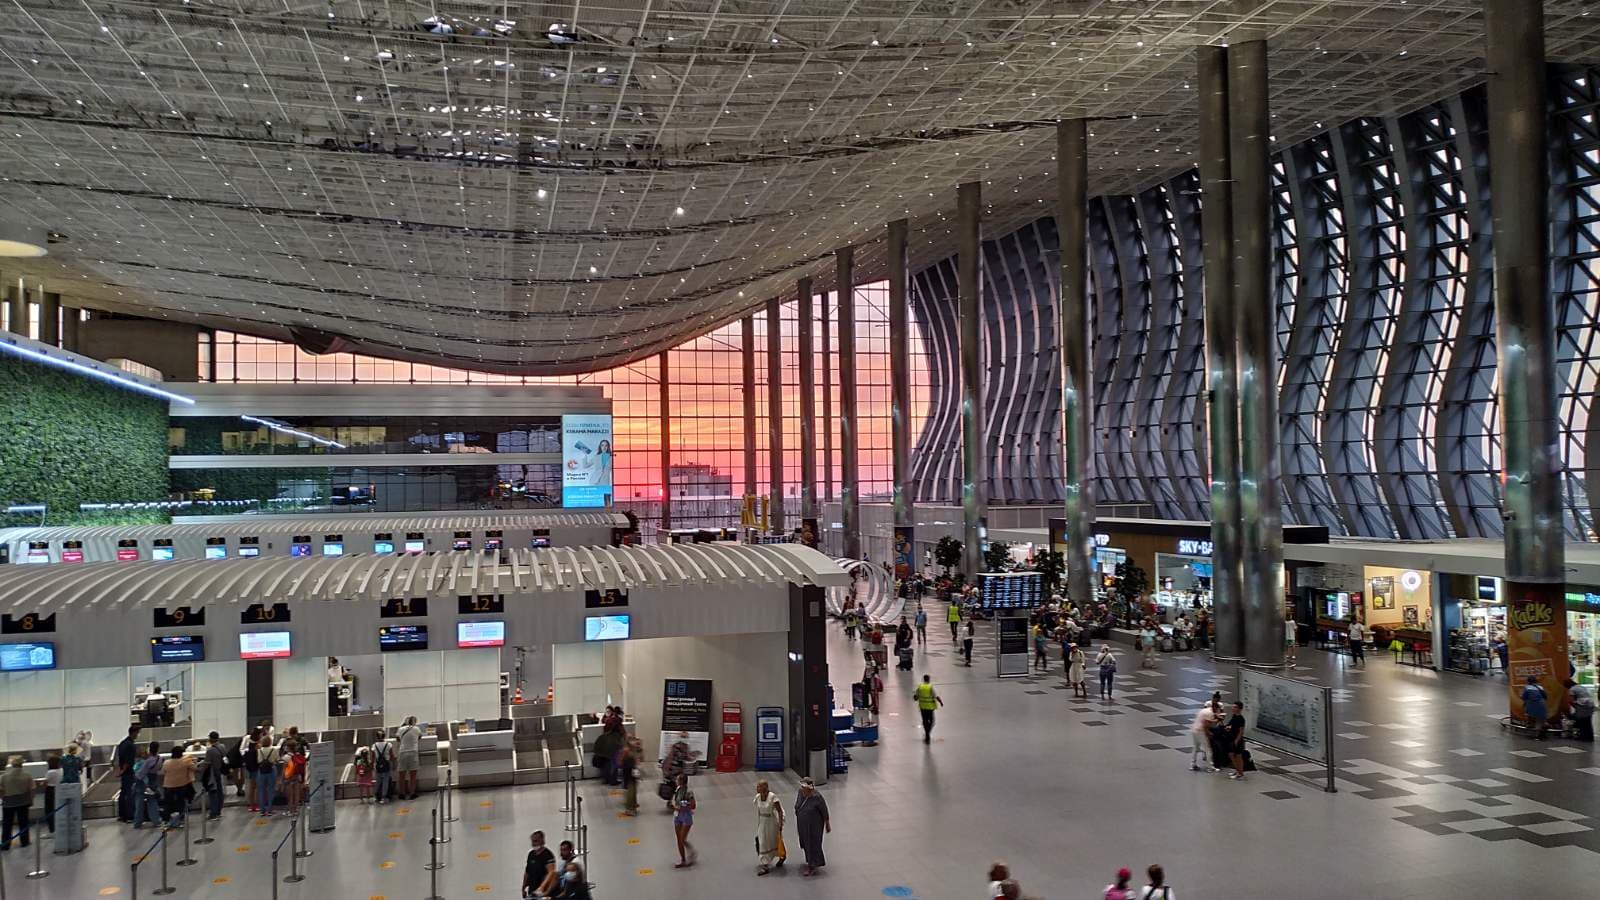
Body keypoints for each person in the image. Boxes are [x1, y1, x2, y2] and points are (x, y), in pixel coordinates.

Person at [793, 777, 829, 877]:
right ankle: (810, 860)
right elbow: (798, 805)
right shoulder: (800, 793)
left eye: (804, 788)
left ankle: (812, 865)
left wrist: (827, 823)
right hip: (802, 824)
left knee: (813, 843)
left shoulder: (817, 797)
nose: (802, 789)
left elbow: (824, 810)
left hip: (814, 825)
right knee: (805, 842)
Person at [1, 756, 34, 850]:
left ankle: (5, 844)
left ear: (11, 765)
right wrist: (31, 799)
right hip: (23, 801)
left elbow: (1, 790)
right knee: (23, 822)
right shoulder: (27, 775)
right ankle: (25, 841)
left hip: (8, 802)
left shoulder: (4, 776)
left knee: (7, 824)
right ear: (21, 764)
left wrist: (3, 798)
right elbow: (31, 789)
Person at [753, 780, 785, 874]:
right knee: (763, 842)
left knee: (774, 840)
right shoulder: (757, 797)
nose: (757, 788)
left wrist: (780, 824)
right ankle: (765, 865)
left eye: (759, 786)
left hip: (772, 822)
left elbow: (779, 811)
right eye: (757, 786)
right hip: (763, 822)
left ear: (765, 787)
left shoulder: (772, 797)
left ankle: (782, 856)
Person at [162, 745, 197, 826]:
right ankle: (181, 819)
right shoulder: (185, 762)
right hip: (181, 785)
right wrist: (194, 761)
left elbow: (163, 772)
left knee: (168, 803)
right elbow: (194, 768)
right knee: (180, 803)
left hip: (168, 785)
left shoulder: (166, 762)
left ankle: (166, 820)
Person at [132, 744, 164, 828]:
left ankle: (137, 822)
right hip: (153, 782)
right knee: (152, 802)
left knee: (139, 803)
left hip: (142, 784)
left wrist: (136, 779)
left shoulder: (146, 762)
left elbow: (140, 774)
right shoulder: (159, 758)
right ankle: (156, 820)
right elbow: (159, 769)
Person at [116, 724, 142, 823]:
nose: (138, 735)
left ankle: (121, 815)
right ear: (134, 733)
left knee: (123, 793)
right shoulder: (130, 745)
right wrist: (123, 770)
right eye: (138, 733)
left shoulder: (123, 743)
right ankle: (129, 816)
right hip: (128, 772)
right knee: (129, 794)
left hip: (124, 772)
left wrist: (121, 771)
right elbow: (128, 760)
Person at [670, 772, 697, 868]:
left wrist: (684, 806)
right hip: (677, 816)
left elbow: (693, 805)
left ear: (682, 781)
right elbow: (674, 801)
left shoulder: (689, 792)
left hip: (686, 816)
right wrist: (674, 806)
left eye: (678, 780)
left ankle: (691, 852)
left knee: (682, 839)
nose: (676, 781)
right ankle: (683, 860)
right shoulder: (677, 790)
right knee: (679, 839)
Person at [522, 830, 557, 899]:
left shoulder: (547, 855)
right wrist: (523, 887)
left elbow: (551, 872)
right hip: (532, 889)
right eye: (533, 841)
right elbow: (527, 872)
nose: (534, 843)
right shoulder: (531, 854)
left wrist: (542, 887)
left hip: (543, 890)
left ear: (542, 841)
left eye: (536, 841)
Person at [396, 716, 424, 800]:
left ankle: (402, 793)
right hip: (413, 752)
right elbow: (420, 737)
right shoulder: (417, 729)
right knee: (413, 775)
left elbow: (397, 739)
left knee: (402, 775)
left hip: (402, 752)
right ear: (414, 722)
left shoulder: (400, 729)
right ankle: (412, 793)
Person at [1191, 698, 1220, 772]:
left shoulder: (1205, 710)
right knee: (1208, 749)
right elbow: (1205, 725)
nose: (1217, 712)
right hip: (1200, 731)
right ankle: (1210, 767)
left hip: (1194, 729)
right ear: (1215, 708)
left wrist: (1215, 719)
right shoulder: (1210, 713)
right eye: (1217, 710)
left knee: (1195, 748)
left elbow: (1205, 721)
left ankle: (1193, 764)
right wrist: (1209, 733)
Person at [202, 731, 227, 819]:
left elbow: (207, 764)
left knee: (213, 792)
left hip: (213, 773)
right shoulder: (222, 746)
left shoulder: (210, 750)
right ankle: (219, 811)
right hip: (221, 771)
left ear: (211, 739)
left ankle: (213, 812)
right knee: (220, 792)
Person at [913, 674, 944, 743]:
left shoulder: (920, 687)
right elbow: (936, 696)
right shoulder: (930, 687)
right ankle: (928, 732)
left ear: (924, 679)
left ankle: (927, 733)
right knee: (932, 721)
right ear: (929, 679)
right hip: (930, 707)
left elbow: (915, 697)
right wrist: (941, 702)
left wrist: (916, 697)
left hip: (922, 707)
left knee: (925, 721)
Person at [256, 735, 281, 816]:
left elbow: (258, 760)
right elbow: (277, 760)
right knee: (271, 789)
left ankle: (262, 810)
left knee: (262, 790)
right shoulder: (274, 750)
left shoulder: (259, 750)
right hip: (271, 769)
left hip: (261, 771)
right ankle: (269, 809)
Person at [1224, 701, 1248, 780]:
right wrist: (1228, 728)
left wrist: (1236, 741)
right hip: (1232, 738)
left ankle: (1240, 773)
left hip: (1237, 740)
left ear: (1239, 709)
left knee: (1238, 756)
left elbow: (1241, 731)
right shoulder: (1234, 716)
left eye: (1235, 707)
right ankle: (1237, 770)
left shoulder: (1241, 719)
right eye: (1233, 707)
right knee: (1231, 755)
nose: (1233, 708)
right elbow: (1230, 725)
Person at [1521, 675, 1550, 740]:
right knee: (1540, 720)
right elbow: (1545, 696)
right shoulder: (1540, 687)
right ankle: (1543, 728)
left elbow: (1524, 697)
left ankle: (1536, 735)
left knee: (1532, 718)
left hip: (1532, 705)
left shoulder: (1527, 688)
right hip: (1542, 704)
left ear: (1528, 681)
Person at [371, 733, 396, 803]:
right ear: (384, 737)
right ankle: (384, 797)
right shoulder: (388, 744)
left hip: (378, 765)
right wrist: (394, 764)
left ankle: (376, 795)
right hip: (386, 764)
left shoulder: (374, 745)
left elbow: (372, 758)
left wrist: (371, 766)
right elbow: (392, 755)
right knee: (386, 781)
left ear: (377, 737)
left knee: (378, 780)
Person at [619, 737, 640, 816]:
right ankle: (630, 807)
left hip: (630, 771)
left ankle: (631, 806)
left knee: (632, 789)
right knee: (631, 789)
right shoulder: (627, 750)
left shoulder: (631, 750)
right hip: (629, 772)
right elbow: (621, 761)